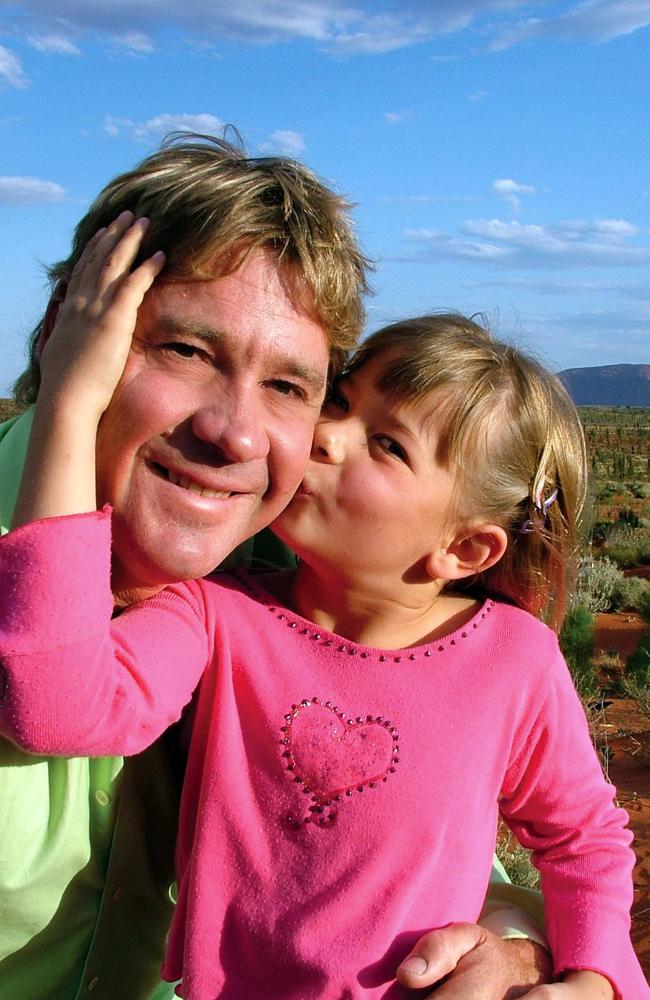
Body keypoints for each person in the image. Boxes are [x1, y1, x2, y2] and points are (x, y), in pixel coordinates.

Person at [1, 240, 647, 996]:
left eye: (387, 445)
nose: (324, 437)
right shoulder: (221, 613)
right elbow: (53, 706)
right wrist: (71, 400)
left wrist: (595, 978)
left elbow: (582, 837)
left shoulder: (514, 660)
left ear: (465, 547)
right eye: (339, 405)